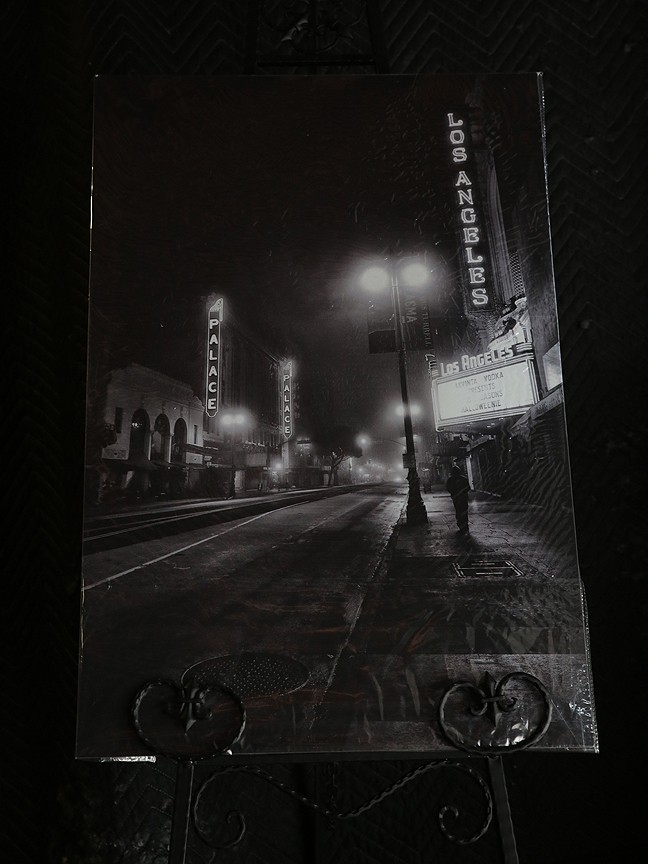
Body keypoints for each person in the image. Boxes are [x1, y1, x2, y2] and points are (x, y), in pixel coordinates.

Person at [446, 465, 471, 534]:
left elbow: (448, 488)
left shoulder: (450, 480)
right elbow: (468, 488)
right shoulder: (463, 479)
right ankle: (464, 525)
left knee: (459, 511)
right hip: (463, 498)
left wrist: (454, 493)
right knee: (464, 512)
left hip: (457, 499)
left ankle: (461, 524)